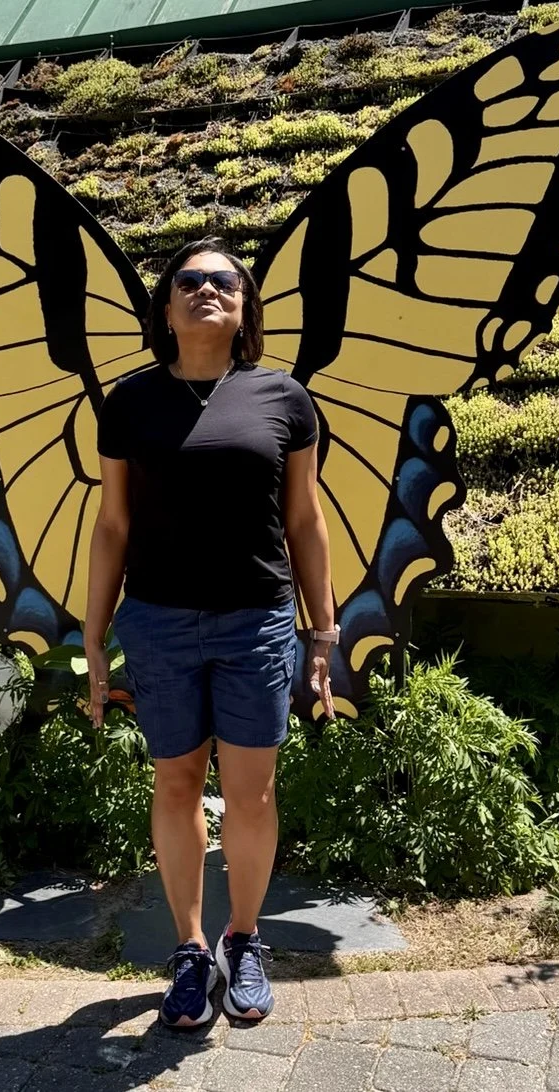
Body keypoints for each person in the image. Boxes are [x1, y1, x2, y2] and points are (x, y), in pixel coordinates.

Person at [84, 236, 337, 1027]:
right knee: (176, 782)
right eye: (188, 281)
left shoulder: (285, 399)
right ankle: (191, 950)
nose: (205, 290)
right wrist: (94, 638)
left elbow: (305, 518)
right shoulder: (129, 403)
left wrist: (322, 634)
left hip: (258, 622)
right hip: (157, 624)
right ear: (165, 306)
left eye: (224, 281)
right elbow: (113, 524)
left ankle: (245, 940)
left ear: (245, 304)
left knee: (252, 790)